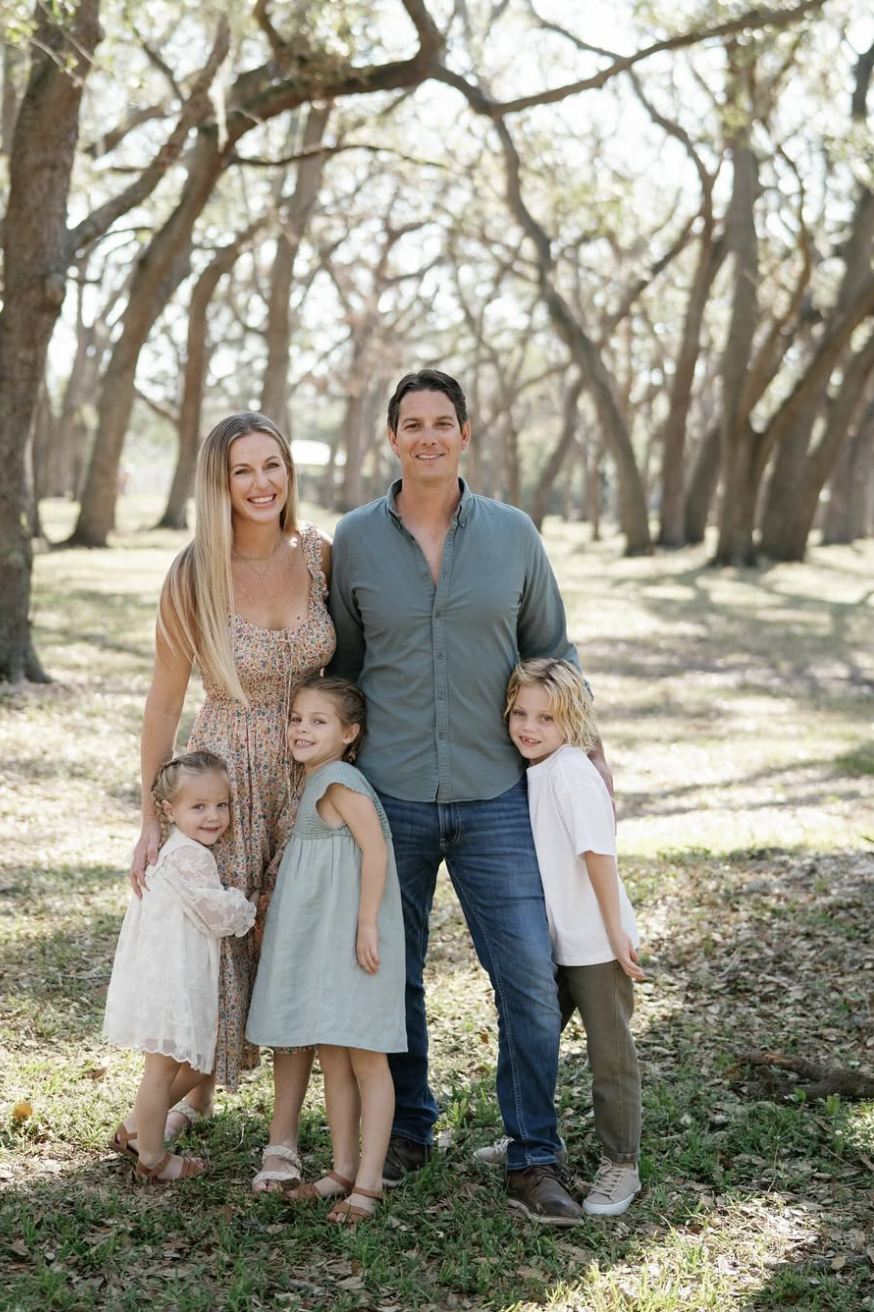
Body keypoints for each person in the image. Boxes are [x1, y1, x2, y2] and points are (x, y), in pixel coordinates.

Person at [329, 368, 612, 1226]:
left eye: (441, 421)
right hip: (390, 797)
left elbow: (554, 654)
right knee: (392, 975)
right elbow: (340, 669)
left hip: (498, 797)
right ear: (391, 438)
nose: (427, 436)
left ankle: (535, 1155)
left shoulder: (515, 535)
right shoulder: (352, 542)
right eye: (411, 423)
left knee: (527, 974)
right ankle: (409, 1127)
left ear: (464, 432)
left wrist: (595, 762)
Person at [129, 412, 335, 1192]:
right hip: (228, 781)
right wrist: (153, 819)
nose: (261, 484)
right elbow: (161, 704)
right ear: (219, 483)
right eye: (242, 471)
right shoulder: (193, 572)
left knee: (294, 941)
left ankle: (282, 1137)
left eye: (272, 466)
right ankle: (171, 1107)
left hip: (310, 771)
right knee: (219, 957)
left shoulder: (318, 553)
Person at [247, 677, 406, 1224]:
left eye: (318, 721)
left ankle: (367, 1185)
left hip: (356, 938)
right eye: (296, 718)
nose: (301, 729)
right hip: (330, 938)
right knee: (334, 1055)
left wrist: (366, 924)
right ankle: (340, 1170)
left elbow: (376, 850)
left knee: (365, 1056)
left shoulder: (339, 780)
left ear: (349, 733)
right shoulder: (318, 779)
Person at [505, 658, 644, 1216]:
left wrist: (615, 935)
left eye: (547, 717)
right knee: (531, 1040)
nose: (529, 726)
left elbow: (598, 854)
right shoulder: (539, 767)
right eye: (520, 713)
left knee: (610, 1056)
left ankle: (621, 1166)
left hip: (595, 943)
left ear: (575, 722)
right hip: (557, 940)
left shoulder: (570, 770)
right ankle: (532, 1142)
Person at [104, 751, 257, 1183]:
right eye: (199, 807)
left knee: (195, 1064)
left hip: (169, 972)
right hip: (173, 979)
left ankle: (136, 1128)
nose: (214, 817)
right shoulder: (188, 857)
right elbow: (219, 915)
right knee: (162, 1071)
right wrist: (249, 902)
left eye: (221, 805)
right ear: (169, 811)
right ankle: (152, 1157)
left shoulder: (179, 849)